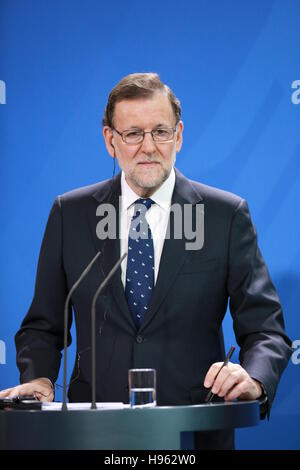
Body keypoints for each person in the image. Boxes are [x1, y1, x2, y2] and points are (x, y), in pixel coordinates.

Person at [0, 73, 292, 449]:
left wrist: (254, 378)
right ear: (110, 140)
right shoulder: (69, 215)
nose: (149, 147)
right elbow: (43, 326)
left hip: (194, 433)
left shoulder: (224, 215)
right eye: (134, 133)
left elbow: (267, 329)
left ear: (179, 135)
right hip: (94, 437)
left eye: (161, 132)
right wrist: (40, 379)